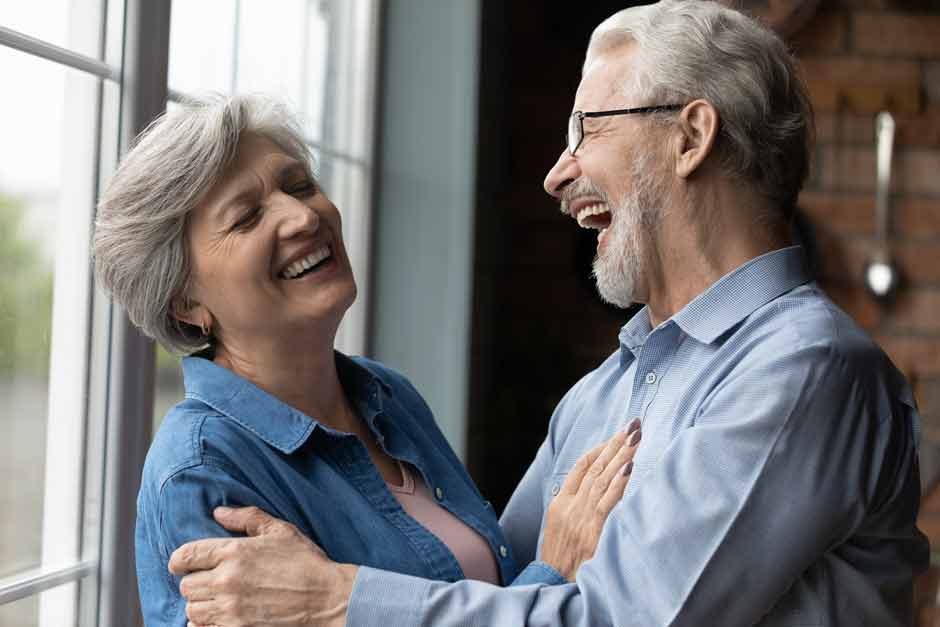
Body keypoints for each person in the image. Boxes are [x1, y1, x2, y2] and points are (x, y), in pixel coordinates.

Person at [168, 1, 930, 625]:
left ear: (691, 137)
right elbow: (505, 592)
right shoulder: (603, 393)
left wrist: (335, 597)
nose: (556, 174)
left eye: (588, 130)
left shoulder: (803, 369)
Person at [92, 94, 638, 627]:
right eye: (246, 217)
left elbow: (478, 590)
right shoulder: (204, 472)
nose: (302, 216)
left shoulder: (386, 394)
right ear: (185, 302)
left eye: (300, 185)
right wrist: (554, 570)